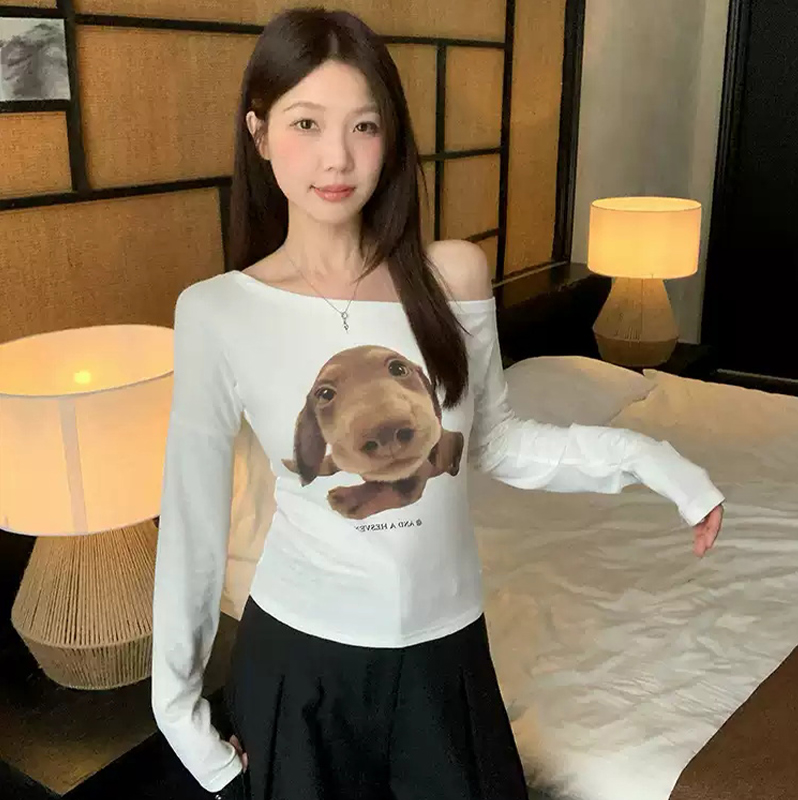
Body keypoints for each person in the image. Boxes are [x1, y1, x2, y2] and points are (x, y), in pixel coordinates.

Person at [151, 8, 725, 800]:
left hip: (444, 655)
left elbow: (497, 443)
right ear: (259, 133)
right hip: (301, 659)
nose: (336, 157)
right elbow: (192, 519)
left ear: (391, 138)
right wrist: (181, 716)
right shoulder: (217, 311)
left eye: (363, 126)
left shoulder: (449, 275)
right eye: (306, 123)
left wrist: (650, 458)